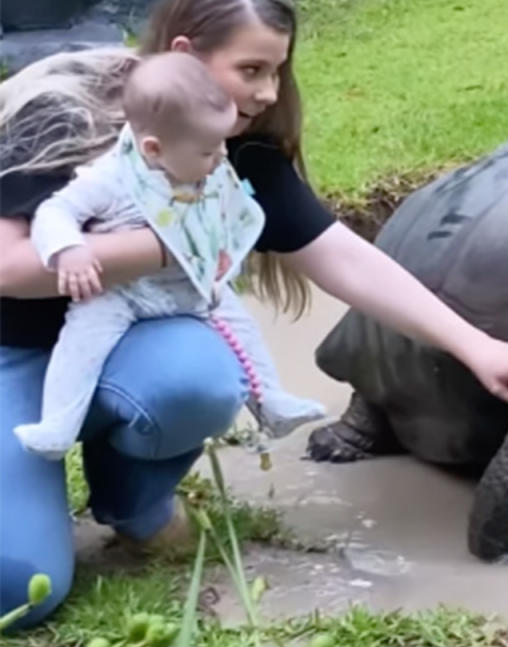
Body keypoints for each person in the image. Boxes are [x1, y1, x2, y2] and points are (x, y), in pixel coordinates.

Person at [0, 0, 508, 626]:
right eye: (251, 70)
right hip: (10, 348)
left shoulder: (231, 155)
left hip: (131, 343)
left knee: (198, 378)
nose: (269, 93)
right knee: (20, 590)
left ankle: (136, 504)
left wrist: (477, 347)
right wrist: (178, 240)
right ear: (187, 54)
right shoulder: (64, 113)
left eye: (276, 71)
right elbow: (9, 267)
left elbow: (342, 258)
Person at [16, 52, 325, 459]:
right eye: (207, 152)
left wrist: (222, 250)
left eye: (220, 147)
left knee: (241, 327)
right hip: (121, 294)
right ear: (154, 149)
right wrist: (69, 249)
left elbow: (225, 213)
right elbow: (55, 212)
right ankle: (59, 423)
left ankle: (271, 400)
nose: (219, 158)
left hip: (190, 285)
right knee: (81, 345)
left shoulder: (208, 166)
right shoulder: (113, 177)